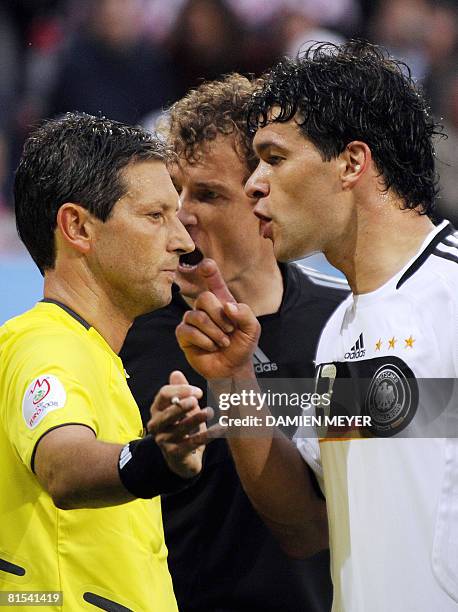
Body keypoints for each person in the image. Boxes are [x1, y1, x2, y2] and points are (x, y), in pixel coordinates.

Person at [174, 42, 458, 611]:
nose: (254, 184)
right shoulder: (344, 327)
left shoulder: (450, 298)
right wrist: (234, 380)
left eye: (274, 159)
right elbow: (305, 525)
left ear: (353, 163)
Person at [120, 74, 347, 611]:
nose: (182, 213)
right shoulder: (128, 331)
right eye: (174, 191)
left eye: (207, 194)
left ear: (263, 196)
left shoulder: (344, 323)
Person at [0, 112, 210, 611]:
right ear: (77, 227)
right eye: (155, 216)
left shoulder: (97, 353)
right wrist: (154, 460)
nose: (183, 240)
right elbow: (64, 464)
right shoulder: (46, 346)